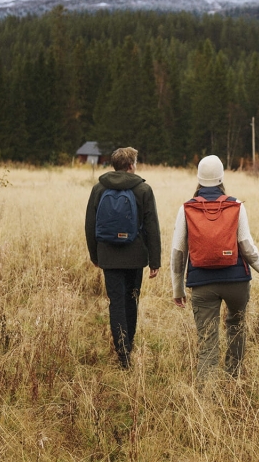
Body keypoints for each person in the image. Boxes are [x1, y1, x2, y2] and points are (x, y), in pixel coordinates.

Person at [171, 155, 259, 379]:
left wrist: (177, 289)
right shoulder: (236, 206)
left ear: (198, 178)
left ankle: (206, 393)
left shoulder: (186, 209)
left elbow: (178, 254)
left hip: (202, 283)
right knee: (236, 329)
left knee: (208, 340)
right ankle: (233, 380)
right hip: (237, 281)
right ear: (221, 178)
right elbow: (247, 248)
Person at [85, 147, 161, 369]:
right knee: (131, 300)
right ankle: (129, 344)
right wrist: (154, 261)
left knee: (116, 302)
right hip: (135, 256)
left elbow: (90, 225)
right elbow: (152, 227)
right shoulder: (143, 189)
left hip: (108, 255)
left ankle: (122, 353)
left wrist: (95, 255)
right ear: (131, 165)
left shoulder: (99, 189)